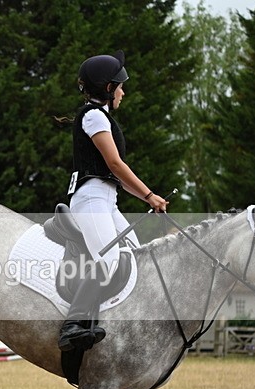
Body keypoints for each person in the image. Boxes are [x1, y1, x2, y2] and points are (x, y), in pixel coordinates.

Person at [58, 50, 169, 353]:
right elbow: (115, 165)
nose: (123, 91)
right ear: (108, 88)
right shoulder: (94, 116)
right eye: (120, 85)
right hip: (91, 197)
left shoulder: (101, 116)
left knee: (134, 254)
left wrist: (150, 199)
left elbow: (116, 176)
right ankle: (73, 325)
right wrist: (149, 195)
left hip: (106, 199)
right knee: (107, 260)